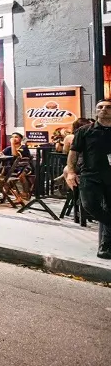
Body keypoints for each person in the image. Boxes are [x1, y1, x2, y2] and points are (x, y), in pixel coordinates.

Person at [66, 101, 111, 260]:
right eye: (100, 107)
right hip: (90, 175)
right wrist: (71, 172)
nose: (104, 109)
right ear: (96, 110)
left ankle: (105, 247)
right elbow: (73, 153)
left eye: (108, 107)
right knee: (89, 205)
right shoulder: (84, 131)